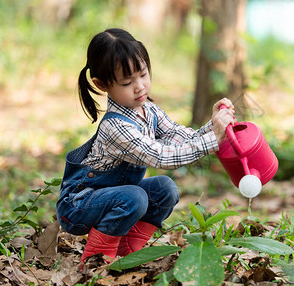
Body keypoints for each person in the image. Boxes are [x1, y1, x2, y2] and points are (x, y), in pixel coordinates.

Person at [56, 28, 235, 266]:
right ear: (101, 85)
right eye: (127, 82)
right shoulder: (116, 127)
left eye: (143, 74)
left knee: (165, 189)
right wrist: (213, 141)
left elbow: (178, 135)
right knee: (135, 196)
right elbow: (160, 156)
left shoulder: (148, 110)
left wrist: (212, 127)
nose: (140, 86)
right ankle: (96, 261)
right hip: (79, 205)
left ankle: (127, 250)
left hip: (115, 197)